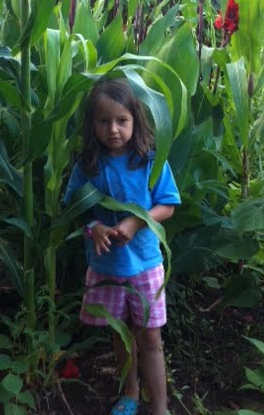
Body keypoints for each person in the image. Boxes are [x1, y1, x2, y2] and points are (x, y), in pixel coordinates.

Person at [63, 77, 180, 415]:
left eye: (121, 120)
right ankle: (130, 392)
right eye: (104, 121)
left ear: (135, 120)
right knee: (119, 334)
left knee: (151, 339)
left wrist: (135, 221)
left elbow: (168, 205)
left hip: (144, 264)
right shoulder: (88, 166)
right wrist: (95, 228)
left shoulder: (150, 160)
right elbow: (75, 209)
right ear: (92, 124)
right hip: (107, 268)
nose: (113, 129)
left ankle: (160, 407)